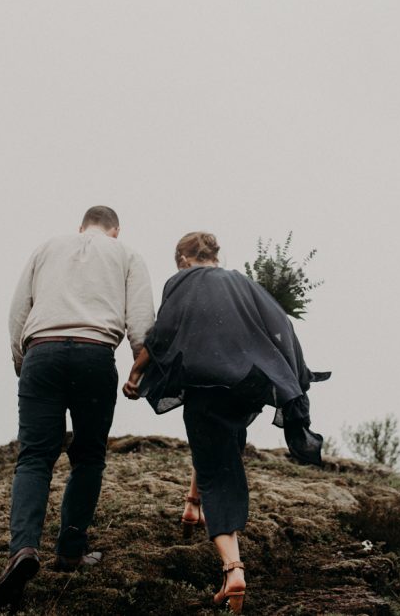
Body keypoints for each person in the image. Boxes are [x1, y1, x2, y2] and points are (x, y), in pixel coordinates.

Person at [123, 231, 327, 615]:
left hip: (207, 387)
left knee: (219, 471)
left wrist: (135, 374)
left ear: (183, 258)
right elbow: (281, 327)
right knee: (219, 447)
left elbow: (163, 332)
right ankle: (192, 504)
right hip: (244, 385)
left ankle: (233, 570)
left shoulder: (180, 281)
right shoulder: (245, 284)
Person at [0, 206, 154, 610]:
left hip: (41, 353)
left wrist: (21, 361)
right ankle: (70, 551)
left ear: (81, 226)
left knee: (33, 457)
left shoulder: (47, 247)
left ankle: (23, 550)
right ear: (115, 231)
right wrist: (139, 369)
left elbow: (18, 310)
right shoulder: (127, 254)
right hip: (95, 356)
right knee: (88, 456)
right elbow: (142, 321)